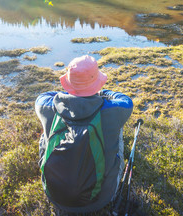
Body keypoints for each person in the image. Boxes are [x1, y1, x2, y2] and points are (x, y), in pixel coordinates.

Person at [36, 55, 133, 214]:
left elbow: (43, 96)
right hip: (101, 199)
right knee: (118, 130)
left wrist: (72, 89)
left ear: (68, 83)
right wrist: (102, 92)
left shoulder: (47, 107)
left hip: (54, 195)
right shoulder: (114, 110)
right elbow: (126, 100)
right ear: (97, 83)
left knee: (44, 135)